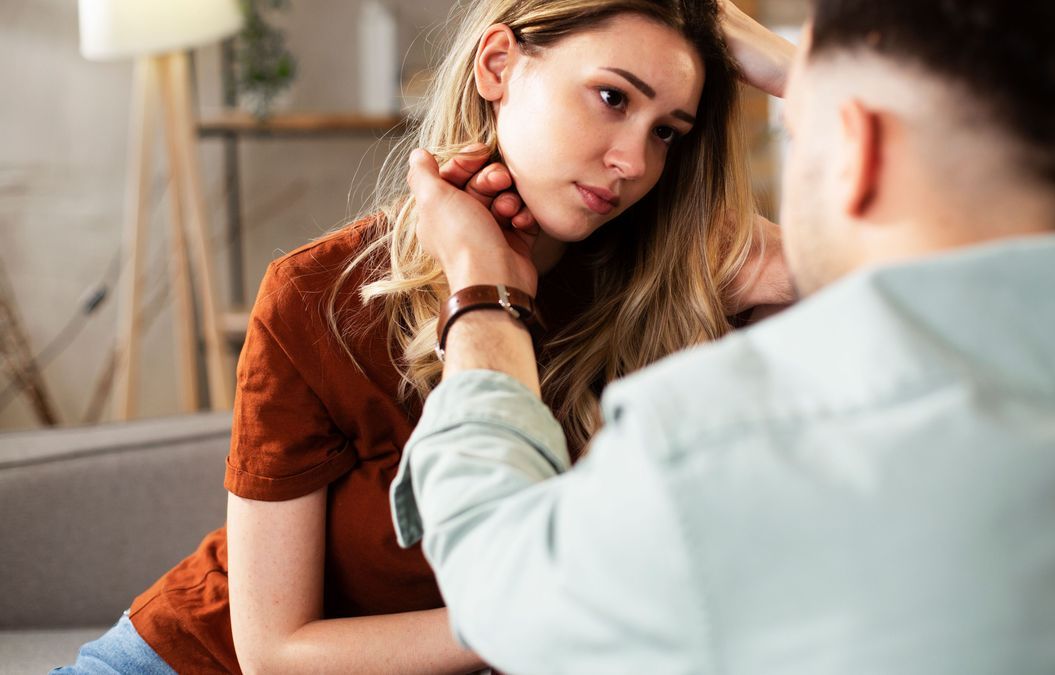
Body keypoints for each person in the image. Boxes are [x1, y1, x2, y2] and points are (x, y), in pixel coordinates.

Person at [393, 0, 1055, 672]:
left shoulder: (716, 449)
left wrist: (486, 289)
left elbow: (499, 585)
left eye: (801, 128)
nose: (637, 163)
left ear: (857, 147)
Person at [59, 0, 792, 672]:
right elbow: (274, 652)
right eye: (611, 97)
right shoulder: (321, 294)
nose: (633, 161)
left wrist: (788, 66)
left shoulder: (678, 277)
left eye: (666, 131)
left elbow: (901, 263)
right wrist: (538, 607)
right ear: (498, 64)